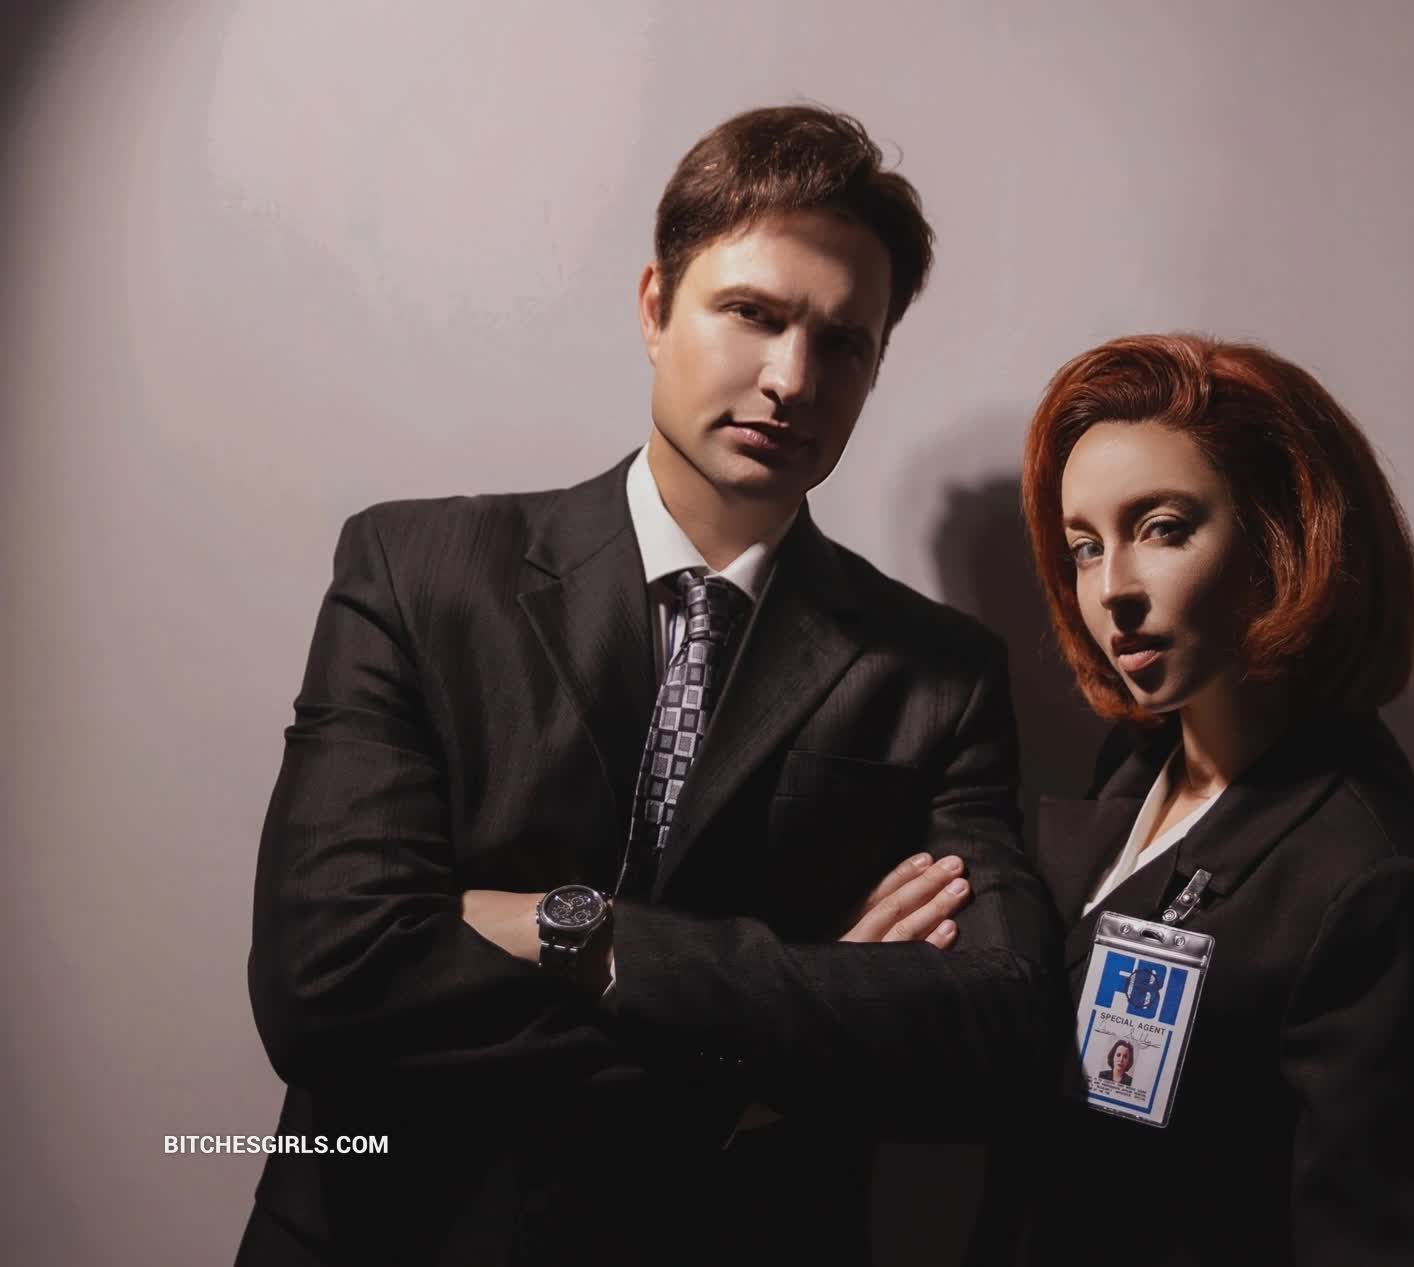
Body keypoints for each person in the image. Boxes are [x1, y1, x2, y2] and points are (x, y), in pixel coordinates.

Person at [240, 105, 1061, 1266]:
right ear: (654, 307)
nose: (792, 379)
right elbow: (328, 987)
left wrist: (586, 934)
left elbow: (993, 1035)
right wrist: (758, 1062)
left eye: (844, 344)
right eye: (754, 313)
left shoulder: (940, 675)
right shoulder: (417, 572)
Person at [977, 334, 1414, 1264]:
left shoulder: (1370, 883)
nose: (1113, 590)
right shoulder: (1136, 760)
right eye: (1085, 547)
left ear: (1280, 534)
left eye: (1162, 528)